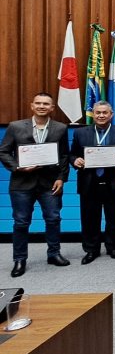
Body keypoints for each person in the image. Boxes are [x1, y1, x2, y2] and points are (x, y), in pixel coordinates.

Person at [0, 93, 71, 277]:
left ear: (52, 108)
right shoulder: (15, 127)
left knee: (53, 219)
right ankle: (19, 259)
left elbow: (64, 155)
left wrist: (61, 178)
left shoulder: (60, 128)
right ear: (32, 106)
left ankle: (54, 254)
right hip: (22, 183)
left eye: (46, 104)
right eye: (38, 103)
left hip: (50, 183)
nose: (41, 106)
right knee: (21, 222)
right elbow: (4, 152)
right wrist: (17, 167)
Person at [69, 101, 115, 264]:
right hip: (89, 181)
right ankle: (91, 249)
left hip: (114, 181)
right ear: (93, 114)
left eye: (105, 113)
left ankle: (113, 247)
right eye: (98, 113)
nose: (101, 115)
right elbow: (72, 154)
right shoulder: (80, 133)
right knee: (89, 217)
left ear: (112, 114)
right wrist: (76, 160)